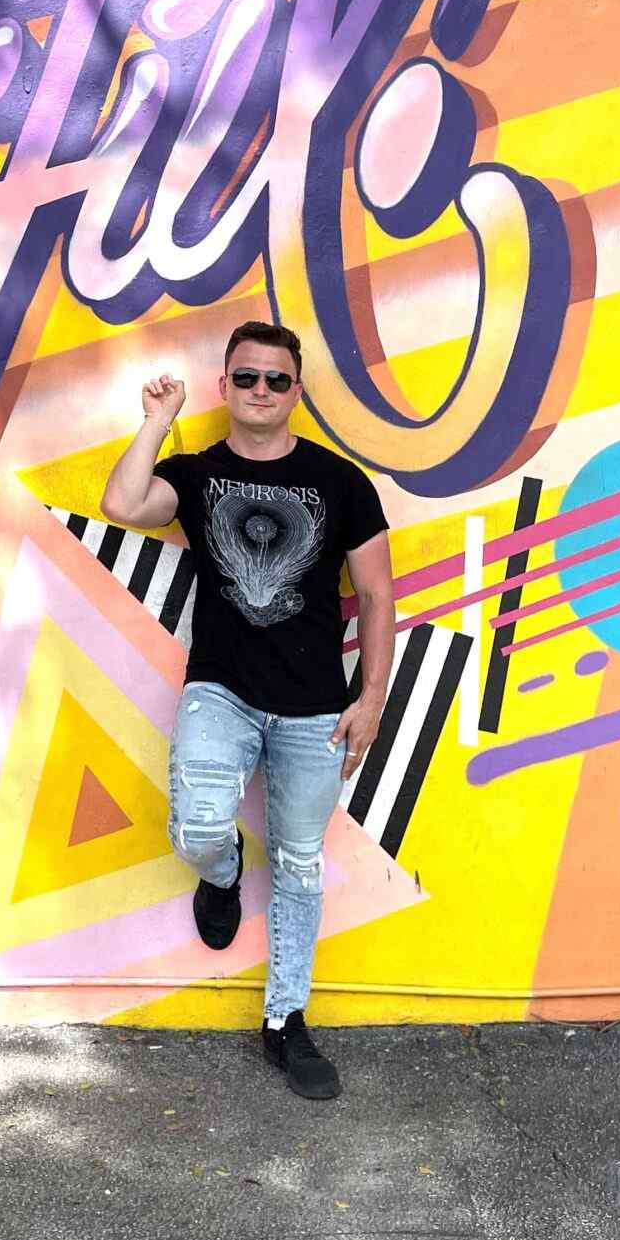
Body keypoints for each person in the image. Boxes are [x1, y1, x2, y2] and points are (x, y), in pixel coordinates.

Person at [100, 320, 394, 1100]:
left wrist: (371, 698)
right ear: (224, 386)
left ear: (295, 391)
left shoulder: (340, 483)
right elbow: (124, 500)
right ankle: (221, 871)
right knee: (197, 824)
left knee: (299, 866)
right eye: (246, 378)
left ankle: (285, 1023)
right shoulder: (196, 474)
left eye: (276, 379)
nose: (260, 390)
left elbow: (374, 595)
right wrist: (157, 420)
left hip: (314, 709)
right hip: (220, 689)